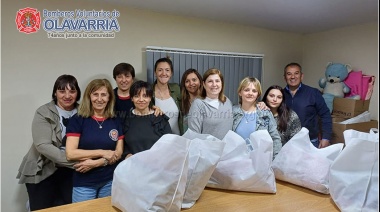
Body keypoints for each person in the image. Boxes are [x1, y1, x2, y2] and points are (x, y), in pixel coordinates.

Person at [16, 74, 81, 211]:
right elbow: (43, 146)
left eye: (72, 91)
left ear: (78, 93)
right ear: (55, 93)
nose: (67, 95)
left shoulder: (84, 111)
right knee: (42, 208)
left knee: (74, 207)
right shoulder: (43, 112)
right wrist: (77, 163)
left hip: (71, 171)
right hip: (44, 169)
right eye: (62, 91)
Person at [65, 79, 124, 203]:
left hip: (109, 181)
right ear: (89, 96)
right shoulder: (78, 120)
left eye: (103, 95)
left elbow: (118, 152)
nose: (99, 99)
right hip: (84, 183)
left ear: (109, 98)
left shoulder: (115, 120)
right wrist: (103, 152)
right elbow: (70, 153)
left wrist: (98, 163)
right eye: (95, 94)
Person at [283, 62, 332, 148]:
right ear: (285, 77)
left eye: (296, 73)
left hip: (310, 142)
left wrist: (326, 138)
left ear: (302, 76)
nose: (293, 77)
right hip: (286, 142)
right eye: (289, 74)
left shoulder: (313, 93)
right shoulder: (280, 95)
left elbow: (325, 115)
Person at [232, 77, 282, 159]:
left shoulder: (265, 113)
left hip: (259, 162)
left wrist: (276, 160)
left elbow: (275, 139)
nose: (250, 93)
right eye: (246, 90)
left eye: (254, 91)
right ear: (240, 92)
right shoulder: (232, 112)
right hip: (236, 161)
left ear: (258, 94)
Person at [123, 80, 172, 159]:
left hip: (158, 165)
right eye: (137, 96)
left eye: (145, 96)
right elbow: (123, 144)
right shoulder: (126, 119)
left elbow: (170, 144)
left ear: (150, 98)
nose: (141, 99)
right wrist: (126, 155)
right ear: (131, 98)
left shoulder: (160, 118)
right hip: (133, 166)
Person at [188, 68, 233, 140]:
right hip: (207, 150)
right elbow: (194, 136)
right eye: (210, 81)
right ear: (204, 84)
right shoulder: (198, 104)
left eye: (217, 81)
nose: (214, 84)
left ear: (222, 83)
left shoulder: (227, 101)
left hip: (226, 149)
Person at [152, 57, 182, 135]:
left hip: (177, 139)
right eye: (160, 70)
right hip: (157, 140)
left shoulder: (177, 89)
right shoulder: (148, 91)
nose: (164, 73)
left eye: (167, 70)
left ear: (171, 73)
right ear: (155, 73)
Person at [180, 68, 203, 133]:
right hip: (185, 140)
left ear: (200, 81)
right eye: (187, 81)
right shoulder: (181, 102)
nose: (191, 83)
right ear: (184, 84)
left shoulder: (206, 100)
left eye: (194, 80)